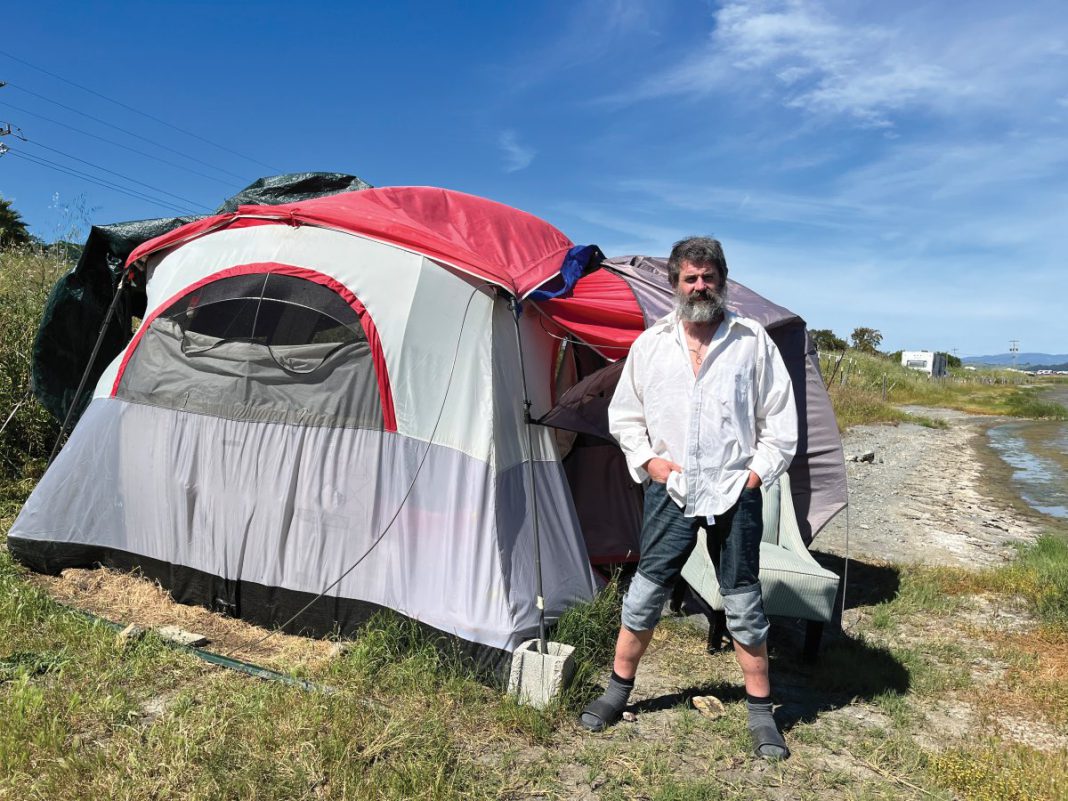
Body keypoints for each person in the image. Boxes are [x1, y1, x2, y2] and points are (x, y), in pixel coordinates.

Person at [579, 236, 798, 761]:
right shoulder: (652, 345)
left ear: (722, 280)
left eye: (709, 277)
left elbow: (780, 421)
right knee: (646, 593)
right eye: (690, 278)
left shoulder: (751, 341)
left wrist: (756, 473)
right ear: (676, 284)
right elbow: (625, 416)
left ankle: (762, 714)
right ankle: (617, 692)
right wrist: (649, 463)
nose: (700, 286)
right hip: (671, 490)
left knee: (743, 601)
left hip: (734, 490)